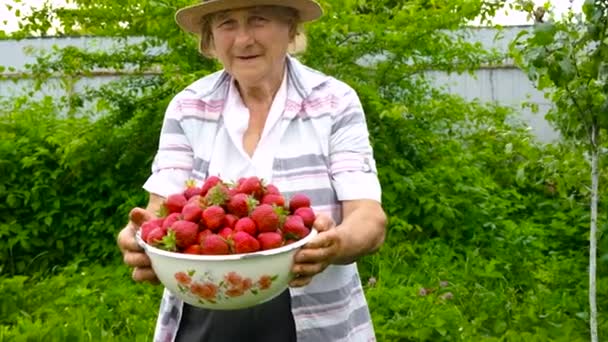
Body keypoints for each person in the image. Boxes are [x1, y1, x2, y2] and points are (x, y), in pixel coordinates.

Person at [116, 0, 387, 341]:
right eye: (227, 23)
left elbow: (368, 218)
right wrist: (141, 238)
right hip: (204, 318)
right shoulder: (188, 106)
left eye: (258, 20)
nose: (243, 39)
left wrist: (335, 245)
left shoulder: (334, 102)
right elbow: (161, 210)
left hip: (315, 320)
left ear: (290, 28)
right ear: (210, 38)